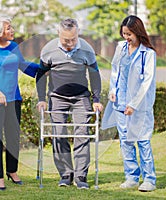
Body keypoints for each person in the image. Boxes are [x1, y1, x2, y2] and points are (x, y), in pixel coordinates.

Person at [36, 18, 103, 189]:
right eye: (66, 40)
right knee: (59, 133)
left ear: (77, 33)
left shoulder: (86, 49)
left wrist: (96, 100)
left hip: (81, 97)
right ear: (59, 34)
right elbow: (41, 76)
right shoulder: (48, 50)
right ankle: (66, 174)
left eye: (73, 39)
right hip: (57, 97)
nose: (70, 43)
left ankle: (81, 176)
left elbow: (95, 76)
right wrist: (42, 99)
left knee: (82, 133)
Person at [0, 15, 39, 191]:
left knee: (13, 138)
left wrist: (44, 69)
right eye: (8, 28)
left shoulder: (13, 47)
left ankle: (12, 171)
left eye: (11, 27)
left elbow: (23, 65)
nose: (12, 30)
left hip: (13, 99)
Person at [101, 15, 157, 192]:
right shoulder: (121, 48)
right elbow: (115, 70)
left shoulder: (148, 54)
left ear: (138, 33)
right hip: (120, 103)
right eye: (124, 33)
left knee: (142, 141)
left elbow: (147, 82)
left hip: (139, 106)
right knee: (125, 141)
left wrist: (133, 104)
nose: (126, 38)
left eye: (129, 34)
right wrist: (112, 90)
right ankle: (132, 177)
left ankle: (149, 179)